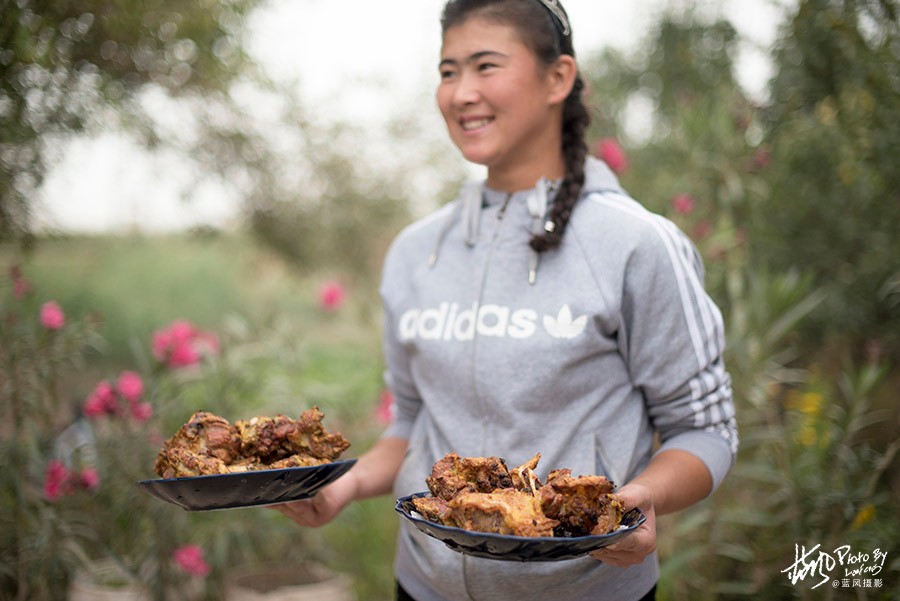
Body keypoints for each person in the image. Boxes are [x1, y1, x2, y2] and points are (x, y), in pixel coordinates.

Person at [273, 1, 738, 599]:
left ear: (557, 78)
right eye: (447, 71)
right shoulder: (417, 251)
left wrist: (641, 498)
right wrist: (339, 488)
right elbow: (412, 421)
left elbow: (704, 429)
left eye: (485, 66)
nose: (461, 92)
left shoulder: (636, 243)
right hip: (422, 585)